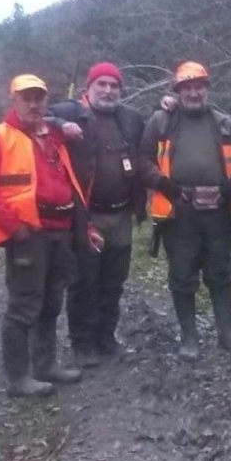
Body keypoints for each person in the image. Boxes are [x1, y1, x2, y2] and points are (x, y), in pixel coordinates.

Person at [0, 74, 96, 398]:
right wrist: (14, 228)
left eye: (38, 97)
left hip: (61, 231)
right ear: (13, 100)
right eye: (26, 97)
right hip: (29, 234)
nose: (33, 103)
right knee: (24, 305)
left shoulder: (52, 132)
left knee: (52, 301)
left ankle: (45, 364)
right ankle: (18, 377)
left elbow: (74, 115)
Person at [137, 61, 231, 360]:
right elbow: (143, 160)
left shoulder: (224, 122)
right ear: (177, 91)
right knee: (182, 274)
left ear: (207, 89)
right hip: (179, 212)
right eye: (187, 87)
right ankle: (189, 337)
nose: (193, 92)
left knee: (221, 272)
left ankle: (226, 334)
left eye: (198, 86)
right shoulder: (161, 121)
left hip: (218, 210)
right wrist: (164, 185)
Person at [48, 62, 146, 366]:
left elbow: (157, 130)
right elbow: (33, 116)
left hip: (122, 215)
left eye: (114, 85)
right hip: (87, 216)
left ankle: (107, 338)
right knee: (83, 282)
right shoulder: (69, 112)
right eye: (101, 84)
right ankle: (82, 344)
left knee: (113, 282)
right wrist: (59, 125)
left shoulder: (130, 118)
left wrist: (168, 105)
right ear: (87, 89)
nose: (108, 90)